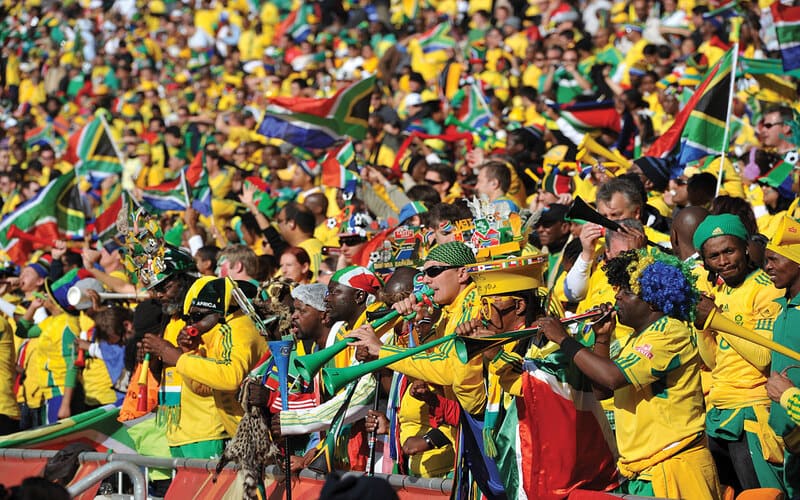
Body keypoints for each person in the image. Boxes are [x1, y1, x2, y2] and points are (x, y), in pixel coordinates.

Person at [539, 249, 722, 499]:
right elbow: (602, 390)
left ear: (653, 301)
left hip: (674, 466)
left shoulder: (669, 332)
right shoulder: (637, 338)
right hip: (645, 469)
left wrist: (563, 340)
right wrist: (602, 338)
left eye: (627, 292)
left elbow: (612, 377)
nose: (617, 297)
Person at [693, 213, 785, 492]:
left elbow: (764, 357)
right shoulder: (720, 293)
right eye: (714, 256)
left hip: (751, 412)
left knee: (760, 494)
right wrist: (701, 326)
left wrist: (717, 318)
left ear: (745, 247)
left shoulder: (765, 289)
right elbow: (712, 361)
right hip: (719, 410)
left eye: (729, 251)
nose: (723, 261)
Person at [142, 276, 266, 437]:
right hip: (245, 435)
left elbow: (231, 377)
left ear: (219, 311)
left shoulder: (238, 328)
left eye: (198, 316)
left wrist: (179, 358)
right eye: (189, 318)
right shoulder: (217, 332)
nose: (192, 324)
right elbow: (202, 388)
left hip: (260, 434)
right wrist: (190, 352)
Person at [762, 215, 800, 496]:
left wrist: (786, 395)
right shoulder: (782, 307)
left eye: (775, 259)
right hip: (788, 440)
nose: (767, 267)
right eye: (766, 260)